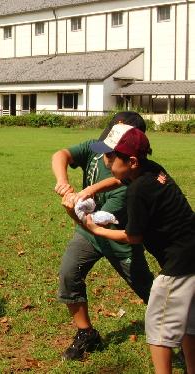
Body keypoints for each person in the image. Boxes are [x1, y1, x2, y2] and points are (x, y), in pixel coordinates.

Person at [78, 125, 194, 374]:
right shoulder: (152, 169)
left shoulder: (139, 191)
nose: (105, 160)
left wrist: (95, 229)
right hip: (191, 253)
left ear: (131, 161)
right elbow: (119, 179)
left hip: (180, 264)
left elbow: (133, 236)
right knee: (188, 323)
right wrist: (90, 190)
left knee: (159, 327)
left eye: (110, 156)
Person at [51, 111, 154, 360]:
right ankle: (86, 333)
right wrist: (63, 182)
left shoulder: (132, 181)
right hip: (89, 232)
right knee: (69, 274)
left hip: (118, 235)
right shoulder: (95, 147)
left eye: (111, 152)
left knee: (149, 292)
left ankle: (183, 333)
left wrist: (74, 208)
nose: (104, 155)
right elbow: (60, 154)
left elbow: (95, 223)